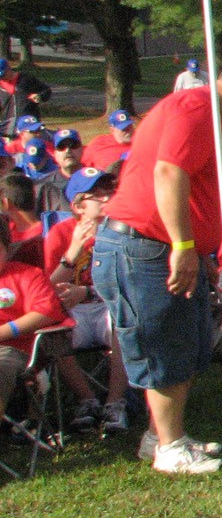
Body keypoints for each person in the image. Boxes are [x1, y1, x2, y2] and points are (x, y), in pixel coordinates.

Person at [92, 52, 222, 475]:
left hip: (164, 246)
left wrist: (193, 249)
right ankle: (170, 447)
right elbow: (168, 172)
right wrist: (181, 244)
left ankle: (160, 435)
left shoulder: (204, 114)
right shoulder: (196, 109)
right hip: (145, 245)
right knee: (163, 345)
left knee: (185, 344)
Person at [44, 167, 132, 434]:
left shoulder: (122, 230)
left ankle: (115, 403)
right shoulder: (60, 233)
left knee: (124, 318)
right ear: (78, 206)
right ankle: (87, 400)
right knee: (51, 329)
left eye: (109, 191)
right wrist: (72, 252)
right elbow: (46, 289)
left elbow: (129, 282)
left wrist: (87, 292)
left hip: (108, 305)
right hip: (74, 312)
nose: (107, 198)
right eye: (97, 194)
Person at [0, 216, 68, 423]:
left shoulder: (26, 275)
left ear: (7, 248)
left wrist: (5, 331)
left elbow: (47, 311)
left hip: (13, 350)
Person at [34, 129, 82, 214]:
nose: (68, 150)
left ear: (82, 149)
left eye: (73, 145)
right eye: (61, 147)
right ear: (54, 153)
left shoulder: (96, 181)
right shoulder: (43, 186)